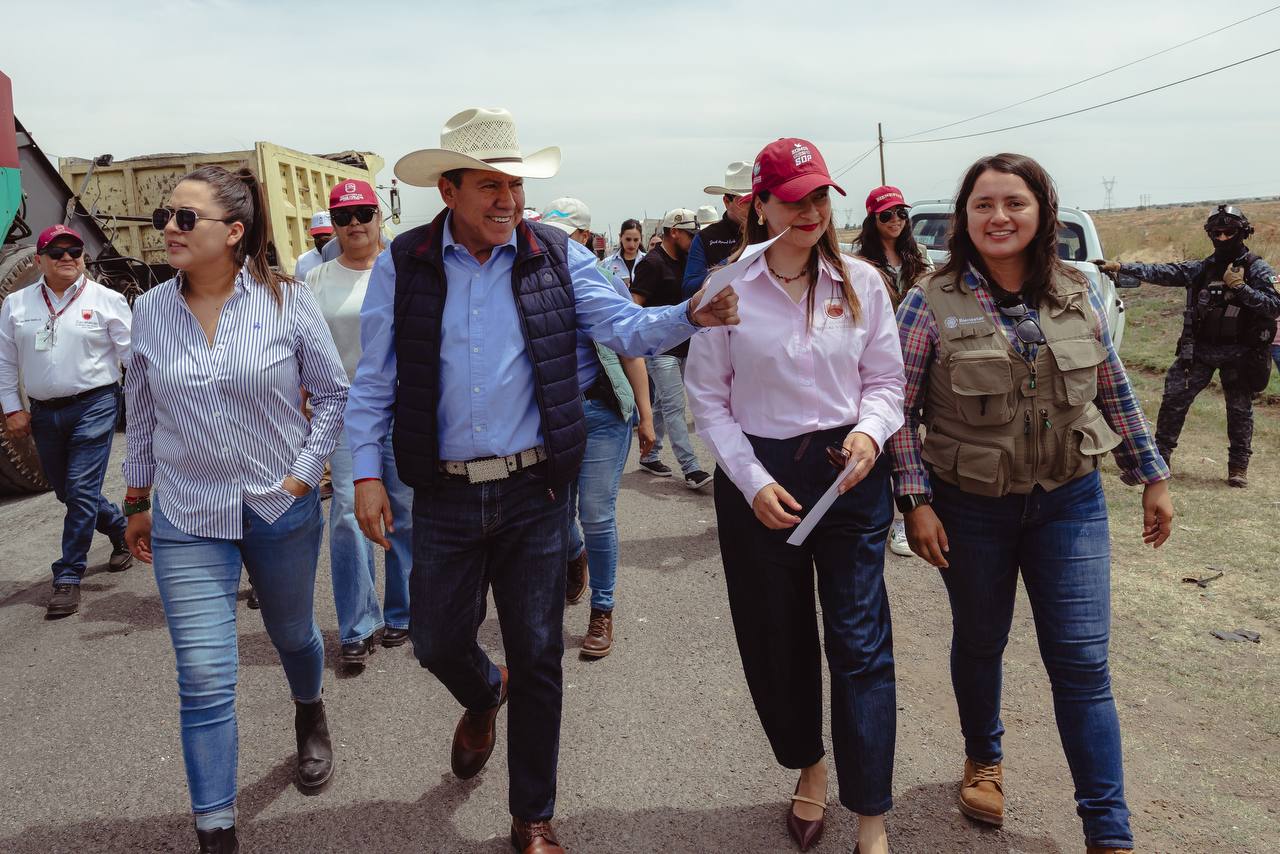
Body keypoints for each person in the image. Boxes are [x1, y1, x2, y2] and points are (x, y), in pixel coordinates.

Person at [345, 107, 738, 854]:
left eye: (515, 186)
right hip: (446, 492)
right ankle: (481, 693)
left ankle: (533, 818)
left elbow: (625, 328)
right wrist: (366, 472)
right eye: (490, 186)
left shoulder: (558, 256)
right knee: (433, 641)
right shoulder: (407, 261)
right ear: (450, 191)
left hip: (533, 493)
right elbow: (374, 380)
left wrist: (691, 313)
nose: (508, 201)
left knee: (538, 654)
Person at [890, 152, 1174, 854]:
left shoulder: (1076, 290)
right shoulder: (931, 298)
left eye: (1014, 202)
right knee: (982, 640)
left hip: (1069, 501)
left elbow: (1113, 387)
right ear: (964, 218)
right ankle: (983, 758)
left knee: (1081, 661)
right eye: (983, 204)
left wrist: (1152, 473)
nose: (999, 217)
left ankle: (1108, 831)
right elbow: (892, 407)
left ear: (1042, 211)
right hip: (970, 506)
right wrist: (914, 501)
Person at [122, 165, 349, 854]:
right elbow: (141, 413)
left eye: (185, 218)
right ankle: (216, 831)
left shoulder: (287, 298)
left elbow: (333, 394)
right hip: (187, 514)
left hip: (277, 508)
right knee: (203, 674)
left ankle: (309, 711)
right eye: (167, 215)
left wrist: (304, 477)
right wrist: (136, 498)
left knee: (292, 635)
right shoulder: (149, 311)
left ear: (234, 231)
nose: (168, 227)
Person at [687, 137, 904, 854]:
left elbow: (886, 382)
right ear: (760, 204)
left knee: (861, 642)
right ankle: (809, 764)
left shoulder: (863, 283)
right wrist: (752, 482)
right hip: (762, 476)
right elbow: (708, 399)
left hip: (849, 472)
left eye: (818, 198)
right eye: (792, 199)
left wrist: (871, 433)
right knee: (777, 642)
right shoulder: (725, 286)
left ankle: (871, 817)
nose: (809, 212)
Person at [306, 179, 414, 670]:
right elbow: (299, 345)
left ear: (378, 217)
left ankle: (404, 612)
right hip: (348, 410)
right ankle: (357, 624)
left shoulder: (407, 269)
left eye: (363, 213)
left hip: (406, 406)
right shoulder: (315, 280)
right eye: (344, 216)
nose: (354, 224)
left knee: (405, 511)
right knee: (349, 514)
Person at [542, 199, 656, 657]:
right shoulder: (530, 283)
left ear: (585, 238)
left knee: (595, 512)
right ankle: (574, 556)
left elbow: (631, 348)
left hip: (602, 411)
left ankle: (602, 610)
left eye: (567, 237)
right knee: (555, 512)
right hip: (552, 417)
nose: (557, 246)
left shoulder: (605, 282)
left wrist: (646, 416)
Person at [0, 224, 133, 618]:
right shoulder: (17, 304)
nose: (67, 258)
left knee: (78, 488)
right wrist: (11, 408)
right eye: (56, 252)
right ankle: (117, 528)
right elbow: (6, 362)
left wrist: (150, 404)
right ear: (40, 259)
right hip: (43, 411)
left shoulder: (107, 300)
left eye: (74, 251)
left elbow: (133, 358)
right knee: (67, 492)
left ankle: (68, 574)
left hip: (95, 404)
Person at [1096, 205, 1280, 487]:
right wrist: (1121, 267)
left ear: (1242, 232)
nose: (1221, 238)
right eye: (1216, 232)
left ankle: (1238, 467)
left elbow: (1274, 307)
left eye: (1228, 232)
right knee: (1173, 401)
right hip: (1200, 351)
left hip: (1241, 353)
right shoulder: (1202, 268)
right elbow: (1163, 272)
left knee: (1239, 409)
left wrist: (1241, 288)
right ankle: (1161, 458)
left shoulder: (1257, 268)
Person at [852, 185, 934, 559]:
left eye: (901, 213)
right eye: (887, 215)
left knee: (914, 435)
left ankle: (908, 514)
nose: (896, 221)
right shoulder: (859, 264)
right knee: (882, 435)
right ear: (873, 219)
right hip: (877, 361)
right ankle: (890, 517)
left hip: (918, 358)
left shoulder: (920, 257)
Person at [630, 208, 712, 490]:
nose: (694, 239)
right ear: (673, 231)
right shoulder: (652, 264)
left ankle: (650, 455)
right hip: (660, 350)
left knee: (665, 405)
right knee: (675, 405)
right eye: (690, 234)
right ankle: (691, 468)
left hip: (686, 347)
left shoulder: (689, 262)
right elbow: (634, 306)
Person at [682, 160, 752, 297]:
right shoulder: (707, 237)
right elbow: (689, 287)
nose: (753, 206)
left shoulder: (771, 230)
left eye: (757, 199)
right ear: (727, 202)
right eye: (744, 201)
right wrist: (730, 264)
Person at [600, 218, 645, 288]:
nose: (631, 244)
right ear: (620, 237)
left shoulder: (648, 262)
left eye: (636, 240)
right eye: (628, 239)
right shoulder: (607, 264)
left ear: (641, 239)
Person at [294, 211, 334, 282]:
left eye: (326, 234)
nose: (322, 238)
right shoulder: (302, 260)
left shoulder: (347, 256)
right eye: (317, 235)